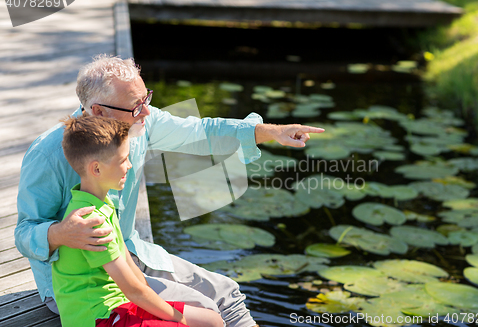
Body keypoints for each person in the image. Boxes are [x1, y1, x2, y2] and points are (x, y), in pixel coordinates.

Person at [15, 55, 324, 327]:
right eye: (136, 107)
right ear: (98, 111)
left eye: (146, 99)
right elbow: (24, 232)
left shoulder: (139, 122)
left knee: (229, 294)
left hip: (130, 253)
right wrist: (60, 233)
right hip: (81, 288)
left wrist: (270, 132)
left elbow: (202, 133)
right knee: (205, 311)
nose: (146, 113)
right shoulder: (47, 155)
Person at [54, 115, 223, 327]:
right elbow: (133, 290)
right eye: (123, 160)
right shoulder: (91, 221)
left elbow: (131, 269)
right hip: (99, 318)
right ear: (96, 169)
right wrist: (180, 319)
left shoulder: (102, 202)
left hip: (119, 305)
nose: (130, 166)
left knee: (213, 321)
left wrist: (161, 308)